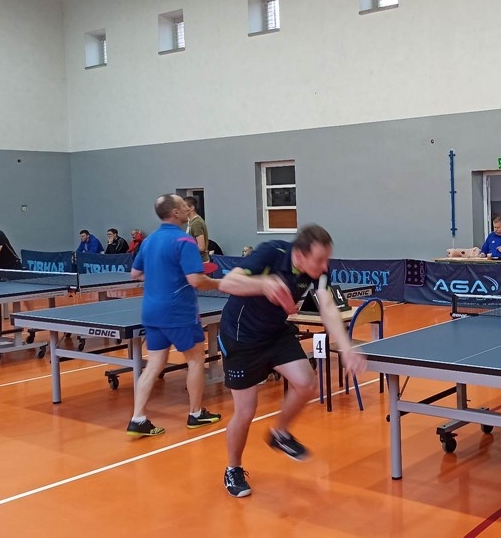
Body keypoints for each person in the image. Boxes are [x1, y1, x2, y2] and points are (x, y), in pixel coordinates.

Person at [217, 225, 366, 498]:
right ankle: (233, 468)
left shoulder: (319, 271)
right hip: (241, 337)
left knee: (306, 383)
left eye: (327, 259)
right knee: (246, 411)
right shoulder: (271, 253)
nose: (325, 265)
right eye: (319, 259)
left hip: (275, 333)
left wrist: (346, 348)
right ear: (299, 255)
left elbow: (327, 306)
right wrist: (263, 284)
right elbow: (227, 283)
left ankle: (280, 434)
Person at [126, 194, 222, 437]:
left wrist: (163, 277)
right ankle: (196, 414)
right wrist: (222, 284)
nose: (187, 208)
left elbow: (135, 274)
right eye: (183, 205)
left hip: (151, 311)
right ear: (175, 212)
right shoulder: (184, 240)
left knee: (154, 364)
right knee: (195, 359)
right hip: (179, 311)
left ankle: (138, 418)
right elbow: (196, 280)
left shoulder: (149, 240)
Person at [183, 196, 210, 263]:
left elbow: (201, 247)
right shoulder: (191, 222)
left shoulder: (196, 223)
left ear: (192, 208)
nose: (182, 209)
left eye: (184, 206)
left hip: (200, 261)